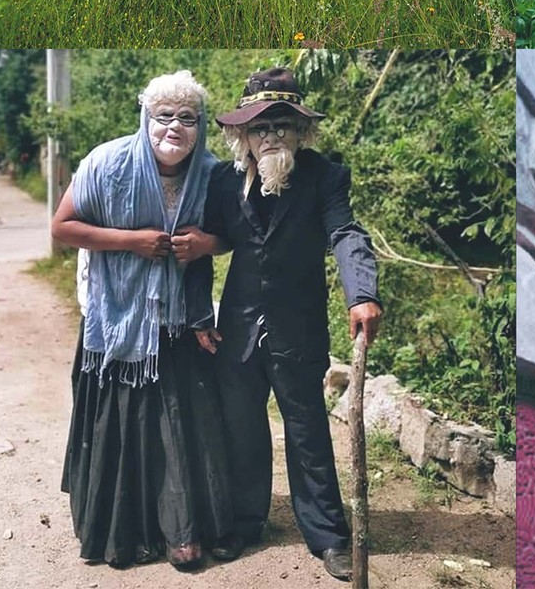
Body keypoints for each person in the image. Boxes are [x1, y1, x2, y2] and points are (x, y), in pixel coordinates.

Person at [191, 68, 382, 583]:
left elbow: (345, 232)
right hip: (236, 328)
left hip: (298, 327)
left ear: (301, 132)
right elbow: (202, 246)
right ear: (242, 136)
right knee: (241, 428)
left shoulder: (325, 176)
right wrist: (196, 313)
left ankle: (328, 536)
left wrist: (361, 294)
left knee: (307, 431)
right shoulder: (221, 180)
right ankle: (245, 522)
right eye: (260, 127)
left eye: (282, 124)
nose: (271, 135)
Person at [51, 71, 235, 571]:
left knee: (179, 427)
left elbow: (233, 235)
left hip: (178, 323)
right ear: (145, 118)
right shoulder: (107, 163)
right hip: (118, 323)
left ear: (200, 127)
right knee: (121, 426)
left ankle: (183, 532)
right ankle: (122, 534)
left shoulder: (214, 175)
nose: (175, 127)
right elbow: (63, 227)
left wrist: (206, 245)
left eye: (188, 119)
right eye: (163, 116)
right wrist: (131, 241)